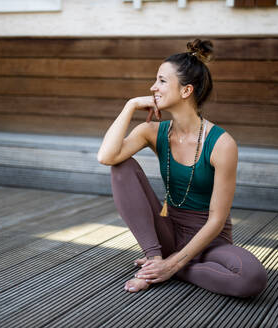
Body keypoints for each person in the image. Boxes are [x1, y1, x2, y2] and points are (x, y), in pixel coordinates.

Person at [97, 39, 267, 298]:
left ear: (186, 91)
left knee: (251, 279)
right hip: (167, 232)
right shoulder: (152, 132)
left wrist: (173, 264)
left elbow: (217, 219)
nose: (153, 87)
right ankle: (154, 259)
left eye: (162, 81)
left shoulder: (221, 143)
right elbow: (107, 157)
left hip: (210, 241)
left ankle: (165, 269)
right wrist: (130, 105)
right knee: (121, 166)